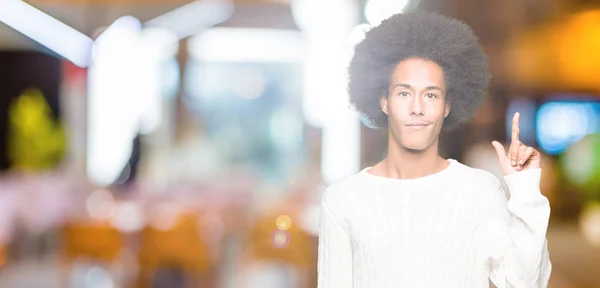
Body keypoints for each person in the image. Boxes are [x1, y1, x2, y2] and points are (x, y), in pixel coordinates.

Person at [317, 12, 551, 288]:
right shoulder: (343, 200)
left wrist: (525, 190)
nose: (417, 107)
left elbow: (524, 283)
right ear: (384, 102)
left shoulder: (479, 191)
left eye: (431, 94)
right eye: (404, 93)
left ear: (447, 106)